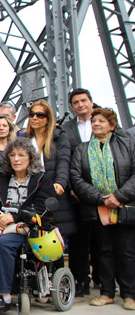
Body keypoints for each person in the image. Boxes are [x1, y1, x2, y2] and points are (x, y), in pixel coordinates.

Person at [0, 138, 55, 315]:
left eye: (21, 155)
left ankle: (4, 295)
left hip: (25, 227)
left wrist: (14, 217)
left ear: (31, 158)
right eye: (12, 155)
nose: (16, 159)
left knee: (3, 244)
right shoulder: (3, 180)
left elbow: (41, 209)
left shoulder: (41, 180)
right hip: (0, 225)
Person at [70, 107, 135, 311]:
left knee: (126, 251)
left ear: (112, 125)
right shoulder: (82, 149)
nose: (96, 124)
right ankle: (106, 292)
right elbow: (76, 177)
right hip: (98, 207)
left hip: (123, 205)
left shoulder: (127, 145)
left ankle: (129, 294)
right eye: (94, 121)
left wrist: (118, 196)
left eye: (101, 121)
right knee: (103, 250)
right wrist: (101, 199)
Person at [61, 88, 97, 297]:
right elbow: (66, 160)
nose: (80, 105)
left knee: (103, 240)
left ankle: (104, 279)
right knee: (79, 240)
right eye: (76, 102)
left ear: (91, 102)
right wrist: (72, 188)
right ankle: (81, 279)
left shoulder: (104, 122)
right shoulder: (67, 129)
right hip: (76, 191)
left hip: (103, 191)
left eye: (84, 101)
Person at [25, 100, 75, 236]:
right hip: (31, 192)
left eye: (40, 115)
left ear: (48, 119)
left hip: (53, 189)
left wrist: (60, 182)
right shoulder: (24, 139)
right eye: (32, 114)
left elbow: (64, 161)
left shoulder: (59, 136)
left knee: (56, 235)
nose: (34, 118)